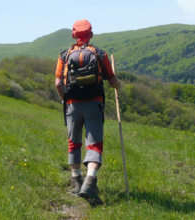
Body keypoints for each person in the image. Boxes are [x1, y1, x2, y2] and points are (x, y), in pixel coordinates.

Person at [55, 19, 120, 204]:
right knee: (94, 145)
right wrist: (119, 85)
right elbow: (113, 81)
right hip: (94, 104)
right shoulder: (100, 54)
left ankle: (76, 183)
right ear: (91, 34)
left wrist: (64, 99)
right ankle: (90, 182)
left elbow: (58, 83)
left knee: (73, 143)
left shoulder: (64, 55)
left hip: (72, 106)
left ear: (73, 35)